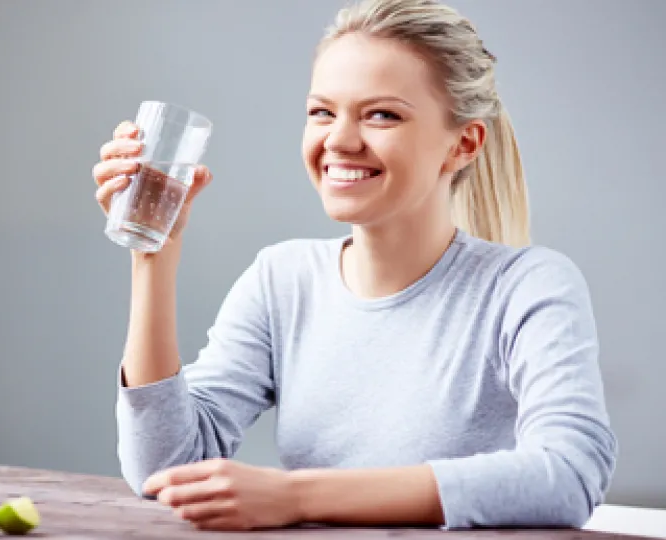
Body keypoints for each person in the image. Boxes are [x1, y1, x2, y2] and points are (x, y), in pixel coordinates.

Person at [90, 0, 617, 532]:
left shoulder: (526, 287)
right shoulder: (282, 280)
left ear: (463, 143)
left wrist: (297, 496)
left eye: (382, 114)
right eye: (322, 111)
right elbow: (165, 469)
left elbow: (570, 474)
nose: (339, 141)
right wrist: (152, 254)